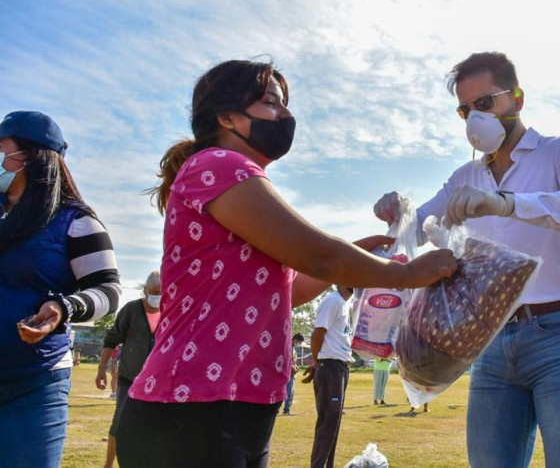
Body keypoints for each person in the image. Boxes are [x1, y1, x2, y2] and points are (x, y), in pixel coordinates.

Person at [115, 59, 457, 468]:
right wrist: (404, 273)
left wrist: (355, 253)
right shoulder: (220, 165)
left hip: (233, 407)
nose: (285, 115)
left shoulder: (232, 176)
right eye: (270, 102)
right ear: (226, 116)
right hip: (192, 409)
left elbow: (287, 290)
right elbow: (319, 254)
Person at [373, 51, 560, 466]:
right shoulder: (465, 177)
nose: (474, 120)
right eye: (464, 110)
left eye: (485, 103)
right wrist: (399, 211)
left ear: (517, 99)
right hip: (488, 344)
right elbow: (416, 228)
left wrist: (505, 203)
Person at [0, 110, 121, 468]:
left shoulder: (75, 220)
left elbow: (107, 290)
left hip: (35, 383)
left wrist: (64, 308)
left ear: (31, 158)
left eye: (1, 150)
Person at [96, 271, 162, 468]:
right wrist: (101, 370)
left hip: (158, 381)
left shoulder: (171, 310)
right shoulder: (131, 310)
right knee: (120, 424)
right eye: (154, 292)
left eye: (162, 292)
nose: (158, 296)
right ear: (145, 290)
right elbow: (112, 338)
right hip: (129, 378)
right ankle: (109, 464)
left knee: (156, 425)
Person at [302, 285, 355, 468]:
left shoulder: (344, 304)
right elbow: (318, 334)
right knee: (328, 421)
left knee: (333, 422)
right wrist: (317, 362)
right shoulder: (333, 301)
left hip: (339, 366)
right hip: (330, 366)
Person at [283, 332, 304, 415]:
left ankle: (287, 409)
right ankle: (286, 410)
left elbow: (293, 359)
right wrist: (292, 366)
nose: (299, 344)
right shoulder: (288, 346)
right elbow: (287, 358)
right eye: (299, 342)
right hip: (288, 373)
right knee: (289, 391)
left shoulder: (292, 347)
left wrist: (295, 366)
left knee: (289, 391)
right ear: (296, 339)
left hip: (291, 372)